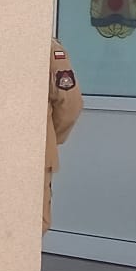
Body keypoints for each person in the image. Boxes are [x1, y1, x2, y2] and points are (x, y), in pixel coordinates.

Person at [46, 39, 83, 231]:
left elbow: (68, 103)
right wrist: (52, 138)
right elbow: (70, 105)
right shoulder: (49, 47)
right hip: (37, 151)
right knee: (37, 219)